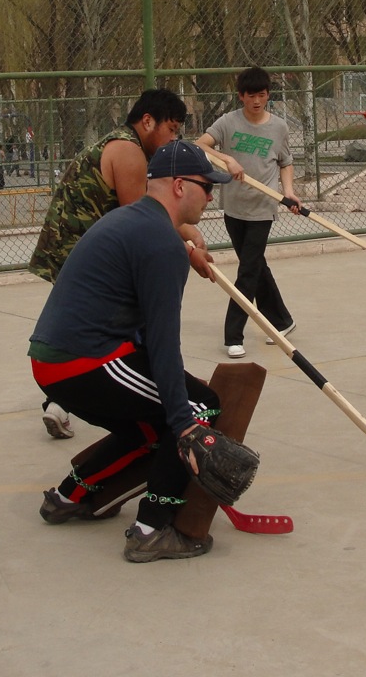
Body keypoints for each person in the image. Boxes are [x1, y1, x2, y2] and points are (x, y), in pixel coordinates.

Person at [29, 140, 232, 562]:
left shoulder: (133, 220)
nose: (211, 197)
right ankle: (151, 530)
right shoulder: (161, 243)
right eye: (207, 186)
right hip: (85, 361)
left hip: (55, 362)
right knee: (199, 408)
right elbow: (162, 343)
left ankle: (69, 497)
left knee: (149, 427)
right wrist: (184, 420)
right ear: (179, 186)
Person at [28, 88, 213, 439]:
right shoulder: (129, 152)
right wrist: (188, 252)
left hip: (77, 242)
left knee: (100, 327)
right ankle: (150, 392)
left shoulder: (119, 141)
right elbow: (146, 219)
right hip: (81, 245)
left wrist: (188, 233)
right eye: (171, 129)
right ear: (148, 121)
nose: (172, 139)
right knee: (119, 325)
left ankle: (66, 399)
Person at [196, 66, 302, 359]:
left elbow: (285, 162)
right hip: (233, 207)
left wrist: (289, 191)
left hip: (263, 208)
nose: (256, 101)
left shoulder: (279, 127)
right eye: (251, 95)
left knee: (246, 272)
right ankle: (282, 320)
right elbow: (200, 146)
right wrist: (227, 159)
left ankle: (233, 335)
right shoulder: (228, 122)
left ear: (268, 95)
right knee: (255, 266)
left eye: (262, 95)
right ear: (241, 96)